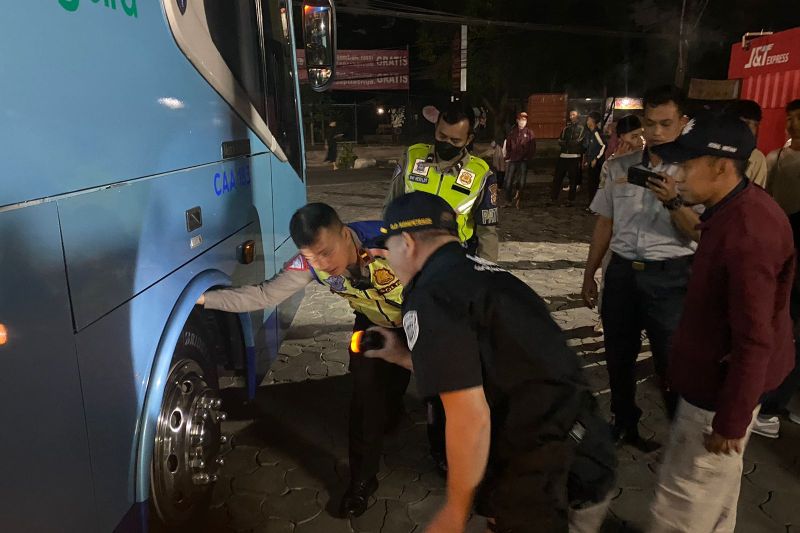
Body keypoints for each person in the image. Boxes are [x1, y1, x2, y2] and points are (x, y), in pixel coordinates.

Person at [365, 192, 617, 533]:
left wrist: (454, 512)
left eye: (389, 248)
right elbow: (483, 367)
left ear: (407, 243)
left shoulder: (433, 295)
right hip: (587, 451)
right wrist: (402, 356)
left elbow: (469, 416)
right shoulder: (489, 274)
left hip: (540, 477)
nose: (389, 260)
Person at [197, 203, 409, 518]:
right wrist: (202, 299)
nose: (322, 264)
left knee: (432, 387)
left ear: (344, 233)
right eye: (311, 257)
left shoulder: (391, 241)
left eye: (326, 252)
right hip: (372, 324)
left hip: (418, 320)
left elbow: (444, 280)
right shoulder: (307, 264)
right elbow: (263, 295)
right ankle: (362, 482)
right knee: (365, 399)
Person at [647, 111, 795, 532]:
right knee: (716, 497)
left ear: (720, 166)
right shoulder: (731, 210)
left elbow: (754, 339)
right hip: (717, 386)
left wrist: (730, 419)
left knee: (683, 505)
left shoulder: (748, 232)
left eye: (687, 164)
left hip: (717, 397)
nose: (676, 174)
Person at [582, 86, 701, 450]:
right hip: (621, 274)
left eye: (666, 124)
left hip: (671, 276)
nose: (657, 132)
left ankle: (682, 438)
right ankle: (624, 422)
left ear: (683, 122)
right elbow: (605, 221)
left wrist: (674, 200)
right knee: (618, 354)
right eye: (650, 123)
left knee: (671, 361)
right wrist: (590, 273)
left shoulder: (695, 171)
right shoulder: (619, 167)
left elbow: (700, 231)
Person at [385, 100, 500, 477]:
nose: (445, 143)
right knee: (404, 341)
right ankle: (394, 407)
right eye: (441, 136)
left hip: (454, 275)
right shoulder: (413, 156)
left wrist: (486, 281)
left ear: (469, 138)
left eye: (455, 139)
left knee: (448, 360)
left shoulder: (482, 174)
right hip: (409, 271)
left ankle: (445, 442)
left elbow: (488, 232)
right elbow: (390, 207)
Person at [755, 98, 800, 438]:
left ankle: (778, 401)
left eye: (799, 118)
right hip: (781, 253)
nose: (793, 124)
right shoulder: (775, 158)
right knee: (778, 325)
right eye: (791, 118)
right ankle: (767, 399)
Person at [727, 99, 768, 187]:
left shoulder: (757, 158)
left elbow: (756, 194)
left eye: (755, 125)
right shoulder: (717, 150)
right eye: (746, 123)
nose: (751, 130)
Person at [552, 110, 587, 206]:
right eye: (570, 115)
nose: (571, 117)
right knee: (557, 178)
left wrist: (567, 144)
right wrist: (569, 143)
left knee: (573, 179)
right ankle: (554, 197)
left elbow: (578, 141)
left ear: (578, 116)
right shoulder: (566, 128)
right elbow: (560, 140)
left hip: (574, 156)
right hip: (563, 155)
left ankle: (571, 199)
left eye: (574, 115)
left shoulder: (581, 128)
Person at [503, 111, 536, 208]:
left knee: (521, 182)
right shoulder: (513, 132)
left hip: (523, 161)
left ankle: (519, 200)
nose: (522, 122)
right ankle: (508, 201)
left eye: (524, 120)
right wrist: (508, 156)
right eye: (521, 120)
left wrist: (528, 157)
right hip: (513, 159)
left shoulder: (529, 133)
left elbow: (532, 147)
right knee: (508, 181)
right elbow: (508, 145)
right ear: (517, 121)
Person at [584, 111, 607, 204]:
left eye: (588, 119)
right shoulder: (590, 133)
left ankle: (594, 206)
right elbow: (590, 148)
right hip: (591, 161)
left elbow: (604, 146)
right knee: (591, 184)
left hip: (596, 163)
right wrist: (587, 160)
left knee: (594, 184)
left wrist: (596, 159)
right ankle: (592, 204)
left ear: (593, 121)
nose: (587, 121)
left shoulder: (596, 132)